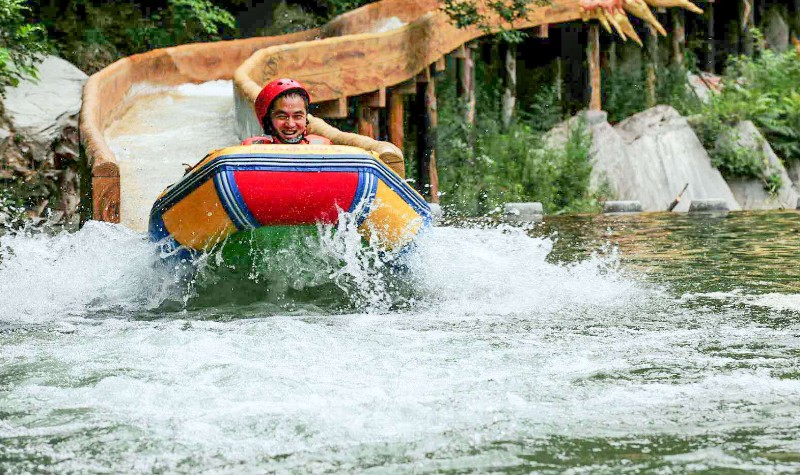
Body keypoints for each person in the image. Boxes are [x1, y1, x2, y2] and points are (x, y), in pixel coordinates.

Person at [242, 78, 332, 145]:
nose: (290, 124)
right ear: (268, 120)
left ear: (305, 118)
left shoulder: (321, 146)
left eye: (297, 116)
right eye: (282, 116)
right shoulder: (254, 150)